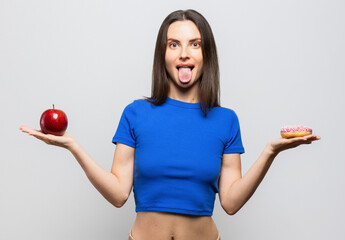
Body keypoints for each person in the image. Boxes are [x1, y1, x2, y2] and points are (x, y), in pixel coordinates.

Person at [19, 9, 320, 240]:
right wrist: (72, 145)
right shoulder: (135, 113)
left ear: (206, 54)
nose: (184, 53)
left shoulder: (226, 120)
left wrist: (270, 151)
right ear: (163, 55)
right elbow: (118, 194)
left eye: (195, 44)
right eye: (173, 44)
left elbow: (230, 202)